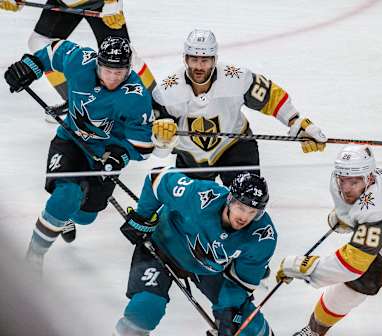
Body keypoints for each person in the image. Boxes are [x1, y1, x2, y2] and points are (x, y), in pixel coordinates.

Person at [3, 36, 155, 270]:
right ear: (98, 64)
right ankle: (33, 258)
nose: (113, 78)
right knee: (66, 196)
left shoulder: (137, 97)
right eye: (107, 70)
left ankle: (64, 218)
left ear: (129, 69)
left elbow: (142, 146)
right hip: (70, 141)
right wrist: (31, 66)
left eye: (120, 72)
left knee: (85, 217)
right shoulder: (80, 60)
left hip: (104, 156)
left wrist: (119, 155)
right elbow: (54, 50)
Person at [275, 145, 382, 336]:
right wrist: (349, 218)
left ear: (369, 178)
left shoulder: (377, 209)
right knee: (344, 292)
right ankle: (313, 332)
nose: (347, 189)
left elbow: (351, 264)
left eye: (355, 182)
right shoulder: (358, 182)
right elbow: (357, 208)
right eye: (343, 181)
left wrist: (304, 266)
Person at [151, 29, 327, 186]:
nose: (199, 66)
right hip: (191, 155)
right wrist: (162, 138)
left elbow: (270, 97)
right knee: (191, 212)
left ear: (214, 60)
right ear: (185, 59)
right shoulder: (167, 90)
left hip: (234, 144)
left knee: (248, 199)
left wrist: (295, 121)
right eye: (194, 59)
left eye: (205, 60)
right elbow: (160, 150)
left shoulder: (235, 77)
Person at [113, 170, 277, 336]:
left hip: (208, 268)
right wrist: (142, 216)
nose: (244, 217)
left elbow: (240, 283)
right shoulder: (200, 196)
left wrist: (229, 313)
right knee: (145, 310)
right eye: (240, 207)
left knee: (247, 325)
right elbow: (157, 178)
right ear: (230, 200)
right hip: (162, 246)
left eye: (252, 212)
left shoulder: (263, 236)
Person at [0, 0, 156, 101]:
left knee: (123, 53)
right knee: (39, 42)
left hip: (100, 3)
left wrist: (113, 4)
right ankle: (75, 104)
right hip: (64, 1)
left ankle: (158, 107)